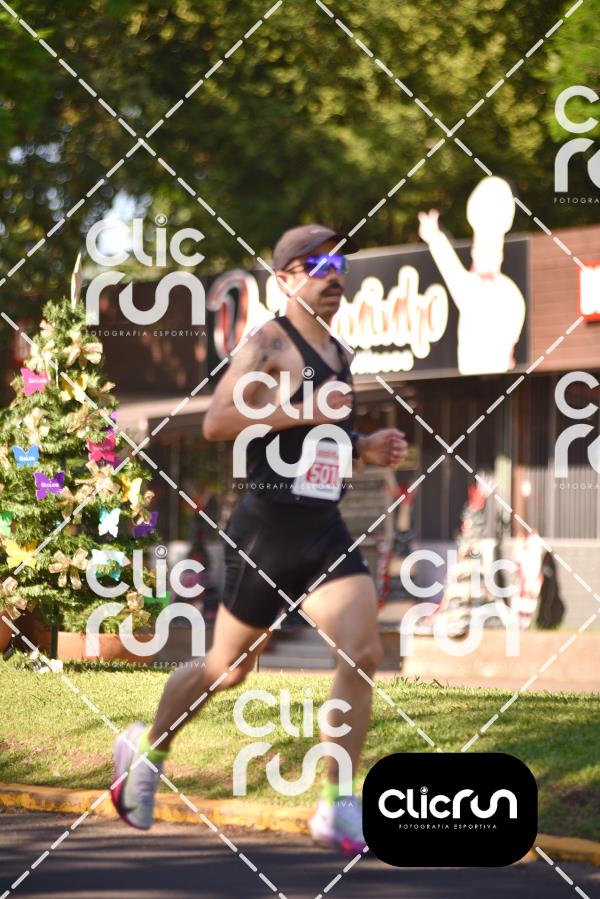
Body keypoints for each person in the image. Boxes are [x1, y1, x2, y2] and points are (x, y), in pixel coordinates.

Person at [111, 223, 407, 854]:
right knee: (228, 670)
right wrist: (305, 409)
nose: (334, 276)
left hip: (322, 527)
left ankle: (336, 804)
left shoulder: (339, 352)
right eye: (317, 265)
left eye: (339, 264)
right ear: (285, 279)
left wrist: (363, 445)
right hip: (267, 527)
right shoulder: (268, 341)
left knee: (363, 652)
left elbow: (319, 436)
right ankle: (146, 751)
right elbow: (218, 420)